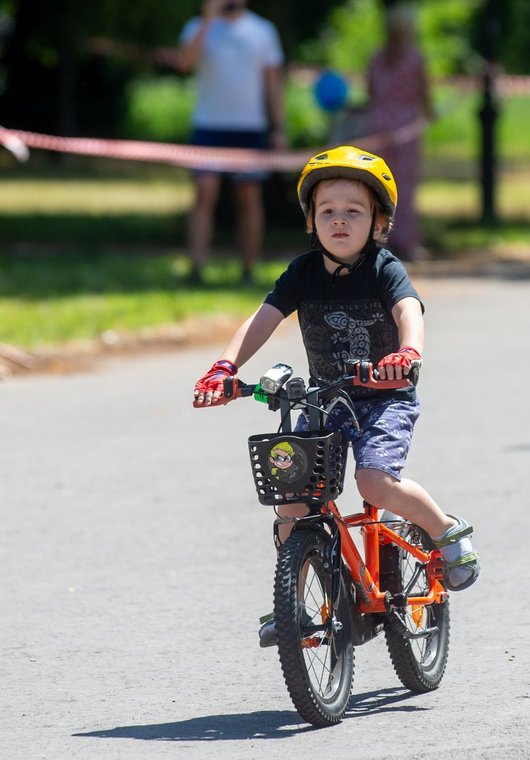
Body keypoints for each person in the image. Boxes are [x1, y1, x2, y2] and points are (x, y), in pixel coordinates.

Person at [192, 146, 481, 646]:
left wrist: (408, 352)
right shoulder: (302, 273)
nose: (339, 221)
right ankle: (294, 604)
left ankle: (446, 530)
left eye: (354, 211)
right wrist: (226, 368)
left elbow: (409, 310)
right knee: (293, 502)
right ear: (311, 220)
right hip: (324, 400)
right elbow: (262, 320)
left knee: (373, 483)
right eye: (327, 211)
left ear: (379, 222)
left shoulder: (383, 268)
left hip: (384, 397)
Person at [176, 0, 287, 285]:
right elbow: (184, 64)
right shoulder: (197, 26)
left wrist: (278, 127)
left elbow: (272, 83)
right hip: (208, 127)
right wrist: (206, 20)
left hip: (250, 129)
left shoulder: (262, 30)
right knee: (204, 194)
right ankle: (197, 268)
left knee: (249, 199)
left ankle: (248, 270)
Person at [366, 3, 435, 261]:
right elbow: (424, 94)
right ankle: (406, 239)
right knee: (404, 185)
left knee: (379, 183)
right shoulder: (415, 58)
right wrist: (430, 113)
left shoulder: (376, 57)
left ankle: (379, 238)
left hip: (378, 125)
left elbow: (371, 91)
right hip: (406, 127)